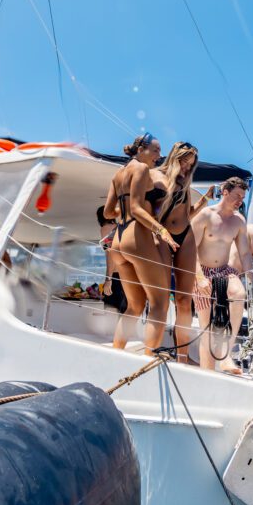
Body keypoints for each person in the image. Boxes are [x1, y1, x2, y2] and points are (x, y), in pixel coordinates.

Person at [104, 132, 178, 353]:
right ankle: (148, 359)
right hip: (137, 238)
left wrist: (125, 209)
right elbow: (137, 207)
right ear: (141, 149)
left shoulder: (118, 173)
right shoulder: (141, 169)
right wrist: (161, 229)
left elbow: (109, 212)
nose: (159, 155)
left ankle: (117, 352)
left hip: (118, 240)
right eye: (155, 150)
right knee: (159, 303)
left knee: (134, 306)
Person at [155, 141, 215, 363]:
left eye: (191, 164)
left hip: (185, 237)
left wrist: (206, 198)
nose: (187, 168)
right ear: (174, 157)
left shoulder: (186, 184)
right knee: (159, 297)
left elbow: (188, 214)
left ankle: (182, 356)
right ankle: (152, 347)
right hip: (162, 237)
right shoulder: (158, 178)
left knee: (183, 299)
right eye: (184, 162)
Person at [192, 176, 253, 374]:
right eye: (236, 195)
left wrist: (252, 277)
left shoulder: (239, 221)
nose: (240, 201)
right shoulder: (205, 215)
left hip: (224, 271)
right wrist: (199, 278)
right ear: (225, 192)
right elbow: (190, 250)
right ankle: (207, 374)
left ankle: (226, 355)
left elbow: (244, 253)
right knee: (207, 330)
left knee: (239, 293)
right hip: (201, 271)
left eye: (243, 197)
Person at [96, 206, 127, 313]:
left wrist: (108, 279)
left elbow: (111, 253)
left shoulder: (106, 228)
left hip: (116, 276)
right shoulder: (121, 227)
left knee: (111, 313)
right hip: (128, 276)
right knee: (125, 313)